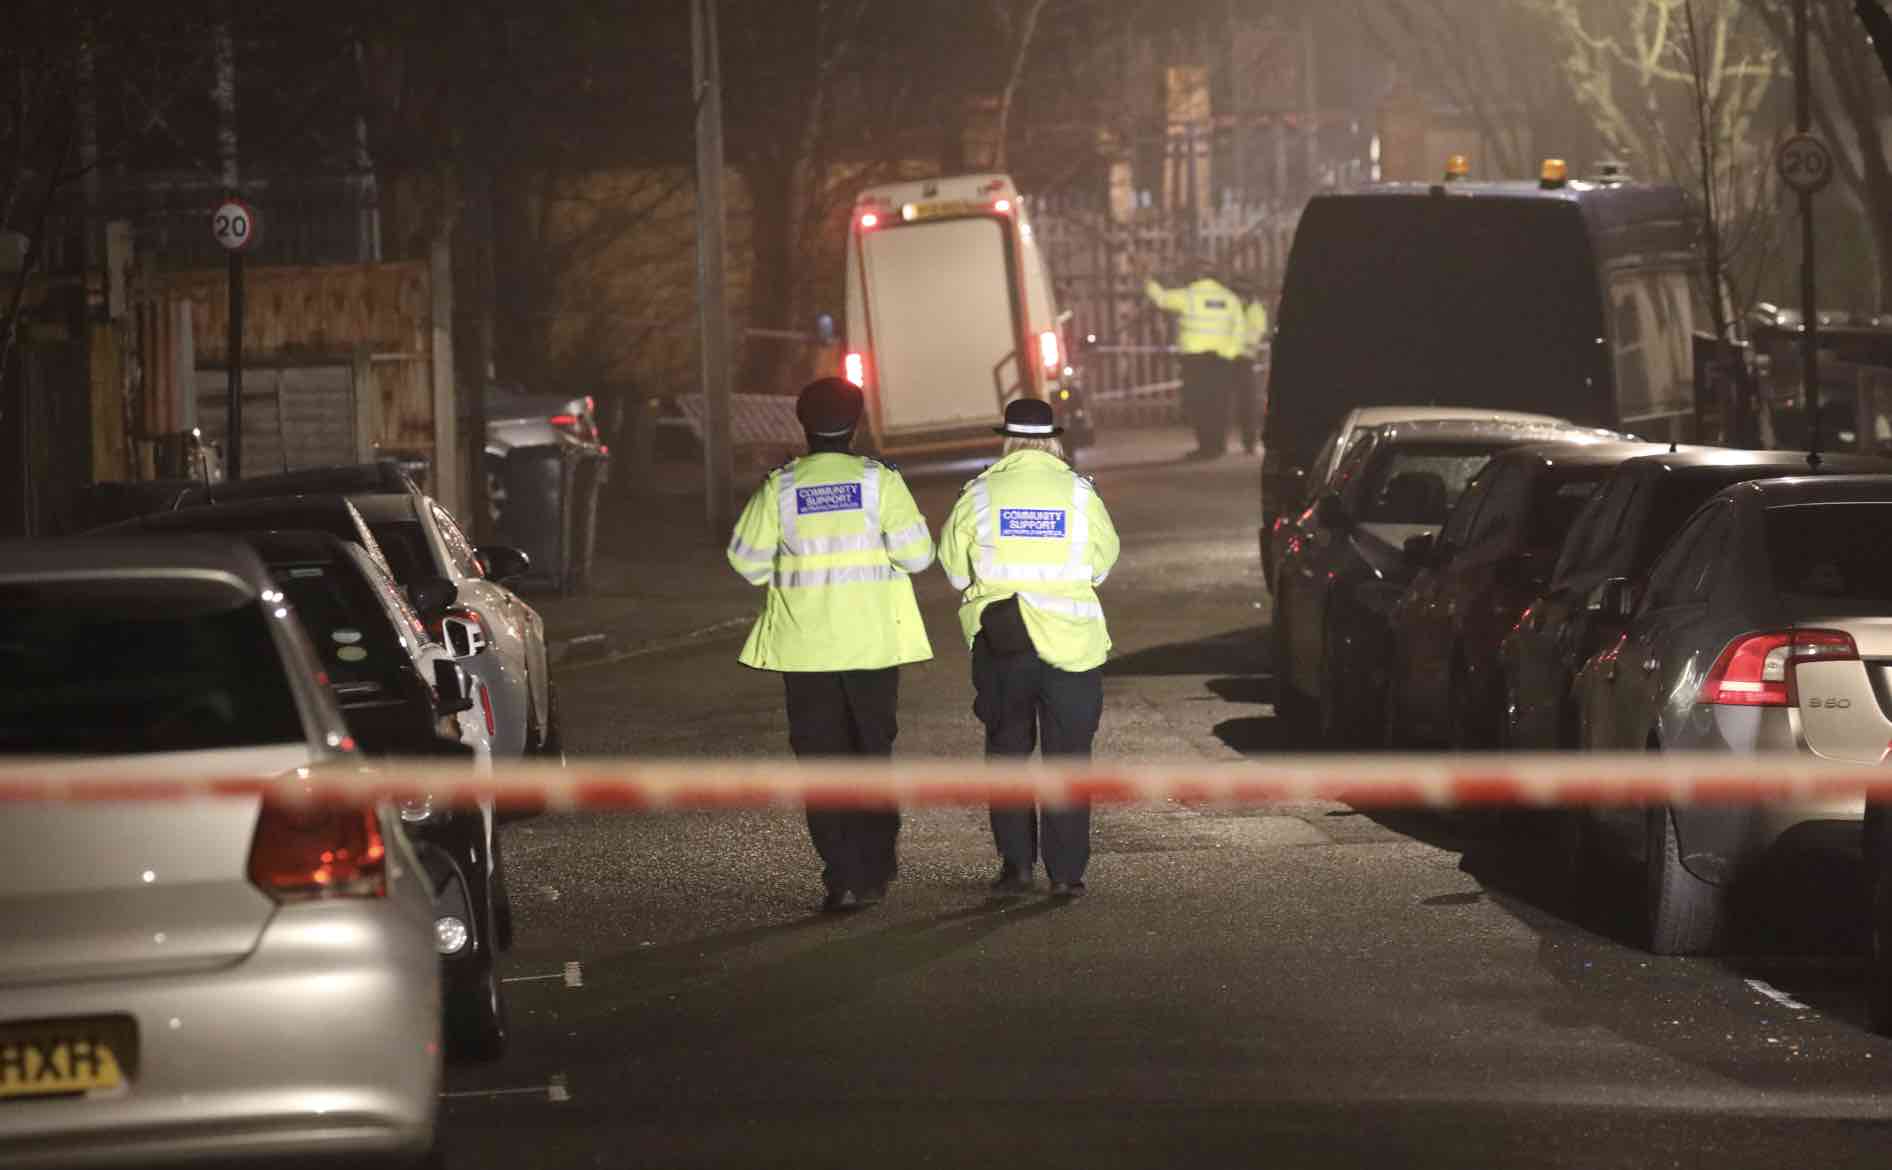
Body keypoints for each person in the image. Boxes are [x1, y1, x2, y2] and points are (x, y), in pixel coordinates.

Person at [726, 377, 936, 912]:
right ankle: (874, 867)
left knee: (821, 762)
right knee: (871, 756)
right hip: (871, 647)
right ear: (858, 423)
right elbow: (917, 557)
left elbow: (746, 563)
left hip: (806, 652)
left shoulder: (781, 487)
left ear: (803, 424)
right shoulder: (879, 483)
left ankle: (841, 874)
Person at [938, 398, 1121, 898]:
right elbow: (1102, 564)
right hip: (1072, 645)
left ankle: (1016, 868)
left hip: (1005, 641)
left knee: (1008, 752)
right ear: (1053, 438)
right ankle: (1066, 875)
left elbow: (955, 571)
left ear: (1007, 438)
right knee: (1068, 757)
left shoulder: (978, 494)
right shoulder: (1081, 493)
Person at [1144, 264, 1245, 460]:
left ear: (1197, 276)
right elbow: (1239, 329)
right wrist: (1230, 353)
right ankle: (1218, 445)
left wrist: (1148, 283)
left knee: (1200, 404)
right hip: (1221, 360)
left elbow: (1162, 299)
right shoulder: (1229, 298)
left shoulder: (1190, 296)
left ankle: (1205, 447)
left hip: (1195, 361)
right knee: (1219, 403)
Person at [1231, 277, 1270, 456]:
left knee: (1248, 402)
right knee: (1219, 402)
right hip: (1227, 357)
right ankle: (1214, 443)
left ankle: (1250, 442)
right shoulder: (1232, 307)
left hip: (1243, 359)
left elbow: (1254, 336)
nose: (1239, 296)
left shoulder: (1255, 311)